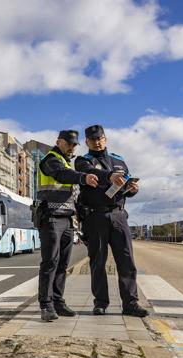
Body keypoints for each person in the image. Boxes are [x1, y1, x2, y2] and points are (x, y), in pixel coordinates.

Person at [74, 125, 148, 317]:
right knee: (98, 262)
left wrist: (132, 189)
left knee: (126, 261)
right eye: (92, 140)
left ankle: (130, 304)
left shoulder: (119, 160)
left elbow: (127, 184)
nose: (97, 142)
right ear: (87, 142)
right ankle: (101, 303)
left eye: (100, 139)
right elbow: (90, 173)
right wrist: (109, 176)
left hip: (119, 215)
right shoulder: (83, 161)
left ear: (105, 139)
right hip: (95, 217)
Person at [35, 130, 98, 321]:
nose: (72, 147)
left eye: (74, 144)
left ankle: (58, 302)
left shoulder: (65, 162)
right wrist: (82, 177)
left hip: (67, 219)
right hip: (51, 217)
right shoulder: (51, 160)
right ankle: (46, 305)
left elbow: (71, 194)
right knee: (50, 262)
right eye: (69, 143)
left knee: (62, 264)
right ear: (58, 142)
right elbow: (62, 175)